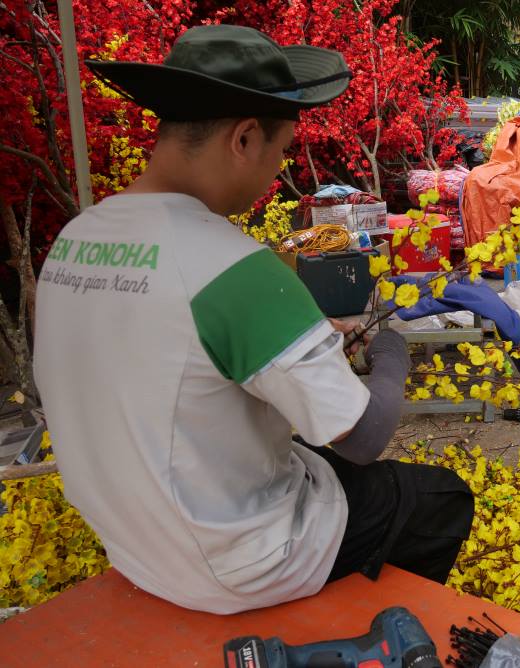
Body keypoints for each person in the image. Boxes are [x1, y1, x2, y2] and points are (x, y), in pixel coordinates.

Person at [32, 25, 473, 615]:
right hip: (236, 563)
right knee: (439, 498)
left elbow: (164, 354)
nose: (278, 168)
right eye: (282, 149)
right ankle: (353, 625)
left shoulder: (74, 239)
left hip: (133, 542)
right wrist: (390, 352)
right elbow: (365, 437)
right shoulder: (234, 265)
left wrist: (304, 335)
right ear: (244, 138)